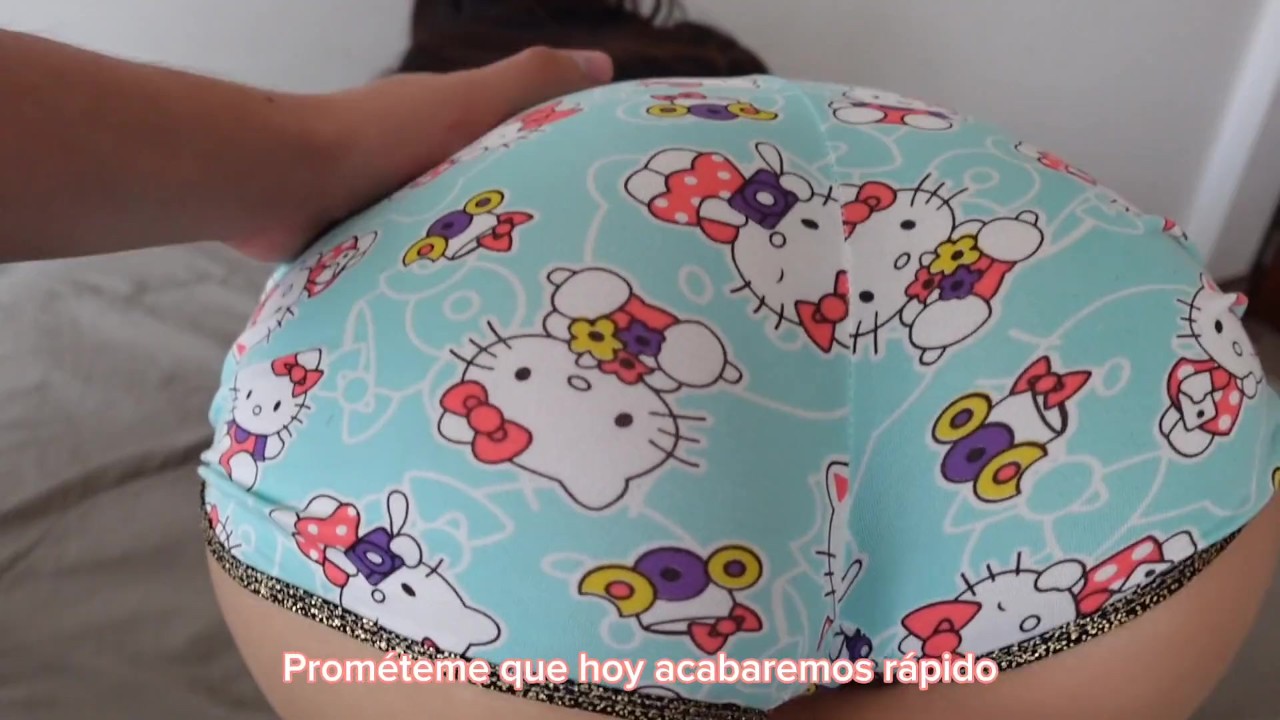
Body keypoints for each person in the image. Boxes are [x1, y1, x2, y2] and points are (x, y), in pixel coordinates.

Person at [4, 23, 1279, 720]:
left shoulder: (461, 146)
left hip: (476, 464)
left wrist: (326, 155)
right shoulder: (886, 132)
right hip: (1103, 340)